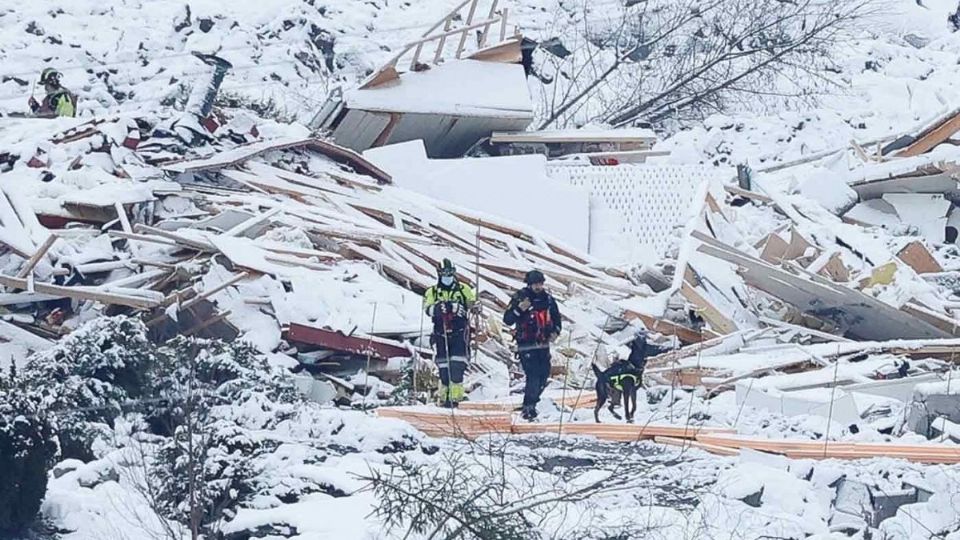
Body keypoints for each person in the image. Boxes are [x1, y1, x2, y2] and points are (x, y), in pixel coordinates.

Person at [503, 270, 562, 420]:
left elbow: (556, 318)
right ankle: (529, 406)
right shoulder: (520, 297)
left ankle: (533, 401)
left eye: (540, 283)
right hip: (526, 344)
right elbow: (508, 319)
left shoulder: (548, 300)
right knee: (533, 375)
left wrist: (555, 331)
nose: (538, 287)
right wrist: (519, 309)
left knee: (544, 374)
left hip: (543, 344)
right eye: (535, 284)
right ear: (529, 284)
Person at [423, 259, 476, 408]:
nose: (447, 276)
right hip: (441, 334)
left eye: (450, 273)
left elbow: (472, 305)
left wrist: (461, 307)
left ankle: (455, 399)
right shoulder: (432, 292)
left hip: (459, 333)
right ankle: (443, 397)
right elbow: (427, 309)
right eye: (444, 273)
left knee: (457, 366)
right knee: (443, 368)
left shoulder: (463, 289)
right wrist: (439, 308)